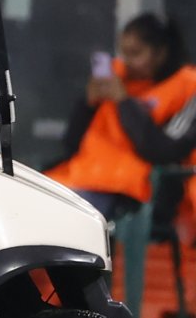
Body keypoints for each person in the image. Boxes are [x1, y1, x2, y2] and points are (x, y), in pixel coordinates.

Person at [47, 13, 196, 221]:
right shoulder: (116, 78)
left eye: (136, 53)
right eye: (124, 53)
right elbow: (71, 143)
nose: (128, 62)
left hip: (120, 188)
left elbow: (163, 149)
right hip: (78, 175)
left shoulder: (186, 86)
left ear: (161, 53)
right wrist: (88, 104)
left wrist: (123, 101)